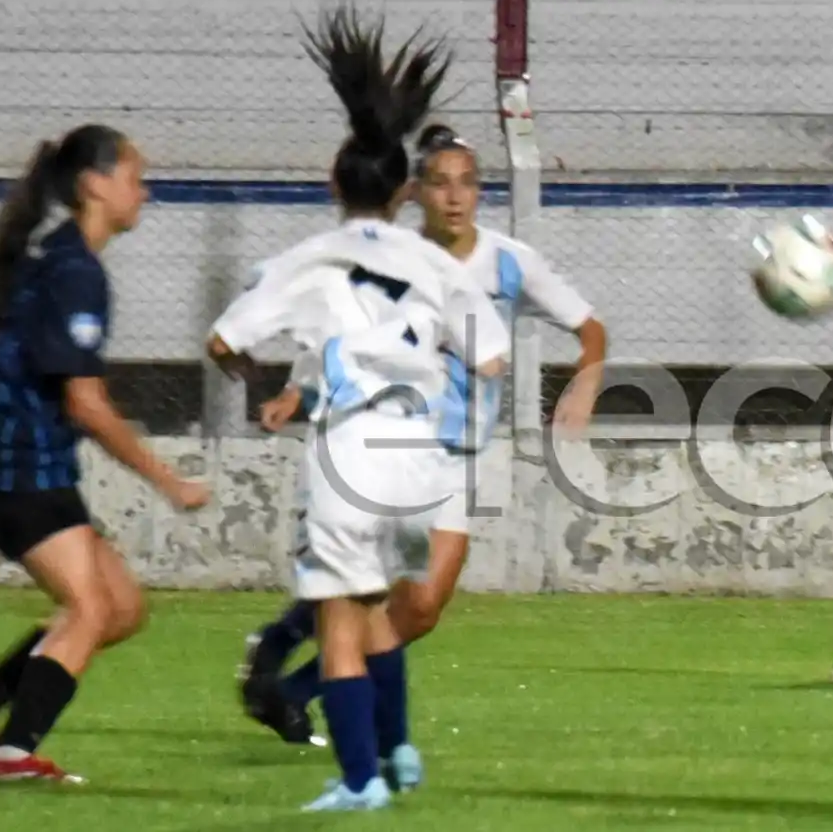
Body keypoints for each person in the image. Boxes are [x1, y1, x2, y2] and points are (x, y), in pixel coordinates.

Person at [207, 1, 510, 812]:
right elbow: (491, 354)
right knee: (379, 612)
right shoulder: (436, 260)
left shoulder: (312, 258)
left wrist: (267, 383)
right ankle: (400, 749)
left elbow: (223, 341)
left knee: (340, 620)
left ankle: (358, 780)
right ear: (405, 192)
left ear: (334, 185)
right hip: (424, 457)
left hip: (350, 450)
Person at [237, 124, 607, 758]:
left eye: (466, 183)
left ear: (481, 192)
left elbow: (591, 328)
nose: (455, 197)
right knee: (377, 588)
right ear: (415, 193)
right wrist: (295, 392)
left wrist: (583, 387)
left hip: (458, 452)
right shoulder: (390, 258)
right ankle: (297, 674)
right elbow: (336, 330)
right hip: (384, 439)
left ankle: (289, 681)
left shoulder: (510, 261)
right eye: (439, 183)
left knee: (421, 607)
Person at [0, 124, 210, 782]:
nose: (145, 191)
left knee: (121, 606)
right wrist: (169, 480)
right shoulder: (75, 269)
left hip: (17, 459)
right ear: (95, 184)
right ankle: (13, 752)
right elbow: (84, 401)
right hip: (14, 462)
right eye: (135, 178)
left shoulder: (54, 254)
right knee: (90, 608)